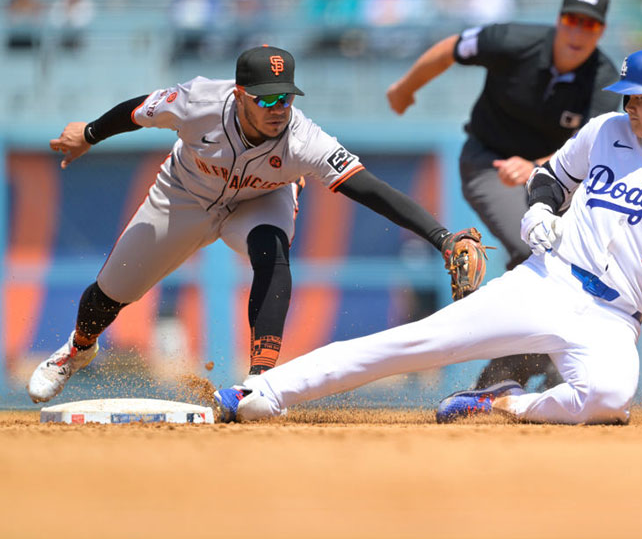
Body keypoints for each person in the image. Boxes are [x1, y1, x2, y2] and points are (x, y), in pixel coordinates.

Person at [214, 47, 642, 427]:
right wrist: (538, 211)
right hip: (546, 282)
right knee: (413, 342)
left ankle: (500, 405)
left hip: (614, 319)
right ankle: (264, 392)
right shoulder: (607, 131)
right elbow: (548, 179)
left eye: (639, 97)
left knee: (610, 397)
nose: (627, 105)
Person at [27, 45, 469, 404]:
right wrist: (87, 135)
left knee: (272, 251)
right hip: (184, 196)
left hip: (261, 201)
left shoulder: (304, 139)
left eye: (287, 96)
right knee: (110, 293)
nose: (280, 107)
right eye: (268, 98)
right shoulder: (197, 101)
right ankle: (77, 350)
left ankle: (260, 379)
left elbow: (370, 189)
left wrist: (442, 237)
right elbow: (136, 111)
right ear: (239, 94)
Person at [386, 0, 621, 392]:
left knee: (585, 261)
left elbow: (588, 147)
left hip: (557, 178)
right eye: (572, 20)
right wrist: (405, 88)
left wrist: (534, 166)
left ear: (600, 31)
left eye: (591, 25)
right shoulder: (513, 40)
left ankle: (520, 369)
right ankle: (524, 367)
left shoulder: (602, 76)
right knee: (537, 248)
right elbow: (452, 48)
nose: (579, 31)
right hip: (486, 162)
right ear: (559, 19)